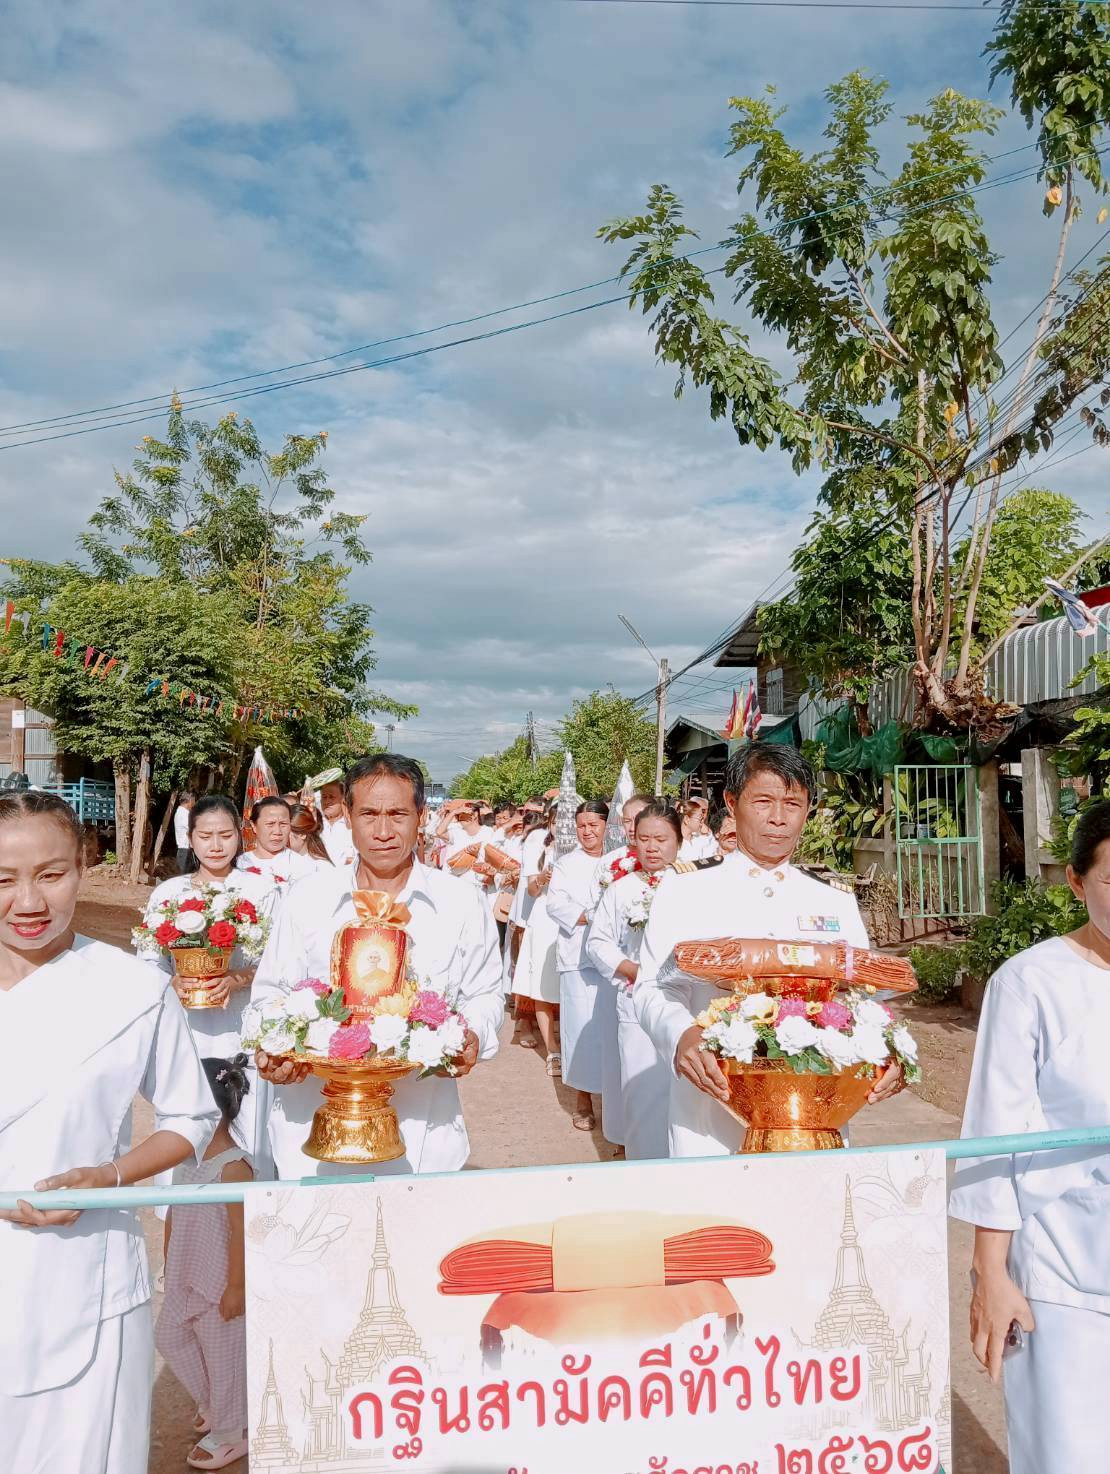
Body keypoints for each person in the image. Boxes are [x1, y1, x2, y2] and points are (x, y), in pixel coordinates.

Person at [0, 790, 218, 1474]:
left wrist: (109, 1177)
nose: (29, 902)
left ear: (85, 865)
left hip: (90, 1268)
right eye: (3, 879)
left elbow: (191, 1117)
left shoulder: (131, 988)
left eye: (51, 873)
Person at [636, 746, 902, 1158]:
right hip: (714, 1100)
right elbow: (653, 987)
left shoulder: (833, 900)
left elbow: (861, 996)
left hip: (814, 1113)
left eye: (793, 804)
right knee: (721, 1218)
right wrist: (681, 1036)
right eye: (763, 801)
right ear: (731, 803)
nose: (778, 818)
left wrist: (888, 1052)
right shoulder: (685, 890)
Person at [948, 800, 1110, 1474]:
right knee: (1070, 1457)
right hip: (1066, 1278)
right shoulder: (1032, 984)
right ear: (1075, 881)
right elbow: (995, 1131)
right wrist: (992, 1273)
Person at [251, 754, 504, 1178]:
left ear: (421, 816)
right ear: (347, 815)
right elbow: (271, 993)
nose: (383, 831)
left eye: (398, 814)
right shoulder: (306, 899)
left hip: (423, 1135)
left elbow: (484, 993)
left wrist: (473, 1033)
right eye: (368, 814)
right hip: (311, 1138)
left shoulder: (459, 902)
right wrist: (273, 1047)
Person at [136, 796, 275, 1163]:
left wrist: (239, 979)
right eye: (206, 835)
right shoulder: (169, 894)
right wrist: (171, 983)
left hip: (240, 1025)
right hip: (185, 1027)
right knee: (185, 1116)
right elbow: (149, 960)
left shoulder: (262, 892)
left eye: (225, 835)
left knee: (246, 1123)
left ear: (240, 837)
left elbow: (279, 962)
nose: (215, 845)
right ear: (191, 838)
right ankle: (180, 1211)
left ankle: (244, 1209)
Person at [156, 1055, 253, 1472]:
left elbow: (241, 1230)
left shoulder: (233, 1169)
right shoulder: (184, 1160)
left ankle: (233, 1432)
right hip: (186, 1273)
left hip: (220, 1283)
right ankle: (213, 1403)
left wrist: (237, 1287)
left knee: (222, 1356)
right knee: (169, 1334)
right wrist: (168, 1259)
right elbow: (174, 1212)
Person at [587, 801, 681, 1160]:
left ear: (679, 841)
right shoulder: (620, 889)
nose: (652, 847)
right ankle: (642, 1164)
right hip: (635, 999)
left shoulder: (692, 887)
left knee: (684, 1093)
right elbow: (598, 941)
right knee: (641, 1091)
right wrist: (631, 970)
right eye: (644, 839)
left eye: (661, 839)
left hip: (684, 1002)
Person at [547, 799, 611, 1134]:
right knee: (579, 1030)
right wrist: (592, 916)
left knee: (612, 1031)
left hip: (615, 961)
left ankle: (615, 1105)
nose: (588, 831)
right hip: (578, 958)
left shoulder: (619, 861)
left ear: (605, 825)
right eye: (582, 825)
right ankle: (583, 1101)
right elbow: (555, 903)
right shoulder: (566, 864)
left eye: (593, 825)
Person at [511, 806, 561, 1072]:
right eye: (555, 821)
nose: (559, 826)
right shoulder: (539, 846)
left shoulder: (586, 851)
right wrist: (542, 878)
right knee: (542, 982)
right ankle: (551, 1047)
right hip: (544, 918)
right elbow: (531, 889)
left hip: (574, 923)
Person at [238, 795, 318, 885]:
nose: (277, 831)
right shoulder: (240, 864)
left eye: (283, 824)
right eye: (270, 824)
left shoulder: (303, 867)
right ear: (254, 825)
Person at [314, 770, 355, 866]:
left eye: (331, 797)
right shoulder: (315, 824)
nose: (327, 801)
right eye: (324, 797)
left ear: (343, 799)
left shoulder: (351, 826)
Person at [677, 797, 717, 862]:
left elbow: (714, 852)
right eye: (700, 818)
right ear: (687, 819)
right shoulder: (673, 842)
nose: (702, 821)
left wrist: (709, 834)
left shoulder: (701, 838)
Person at [174, 792, 196, 874]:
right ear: (189, 801)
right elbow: (191, 829)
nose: (194, 804)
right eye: (193, 801)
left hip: (186, 849)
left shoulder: (181, 812)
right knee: (182, 876)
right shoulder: (184, 813)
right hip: (185, 849)